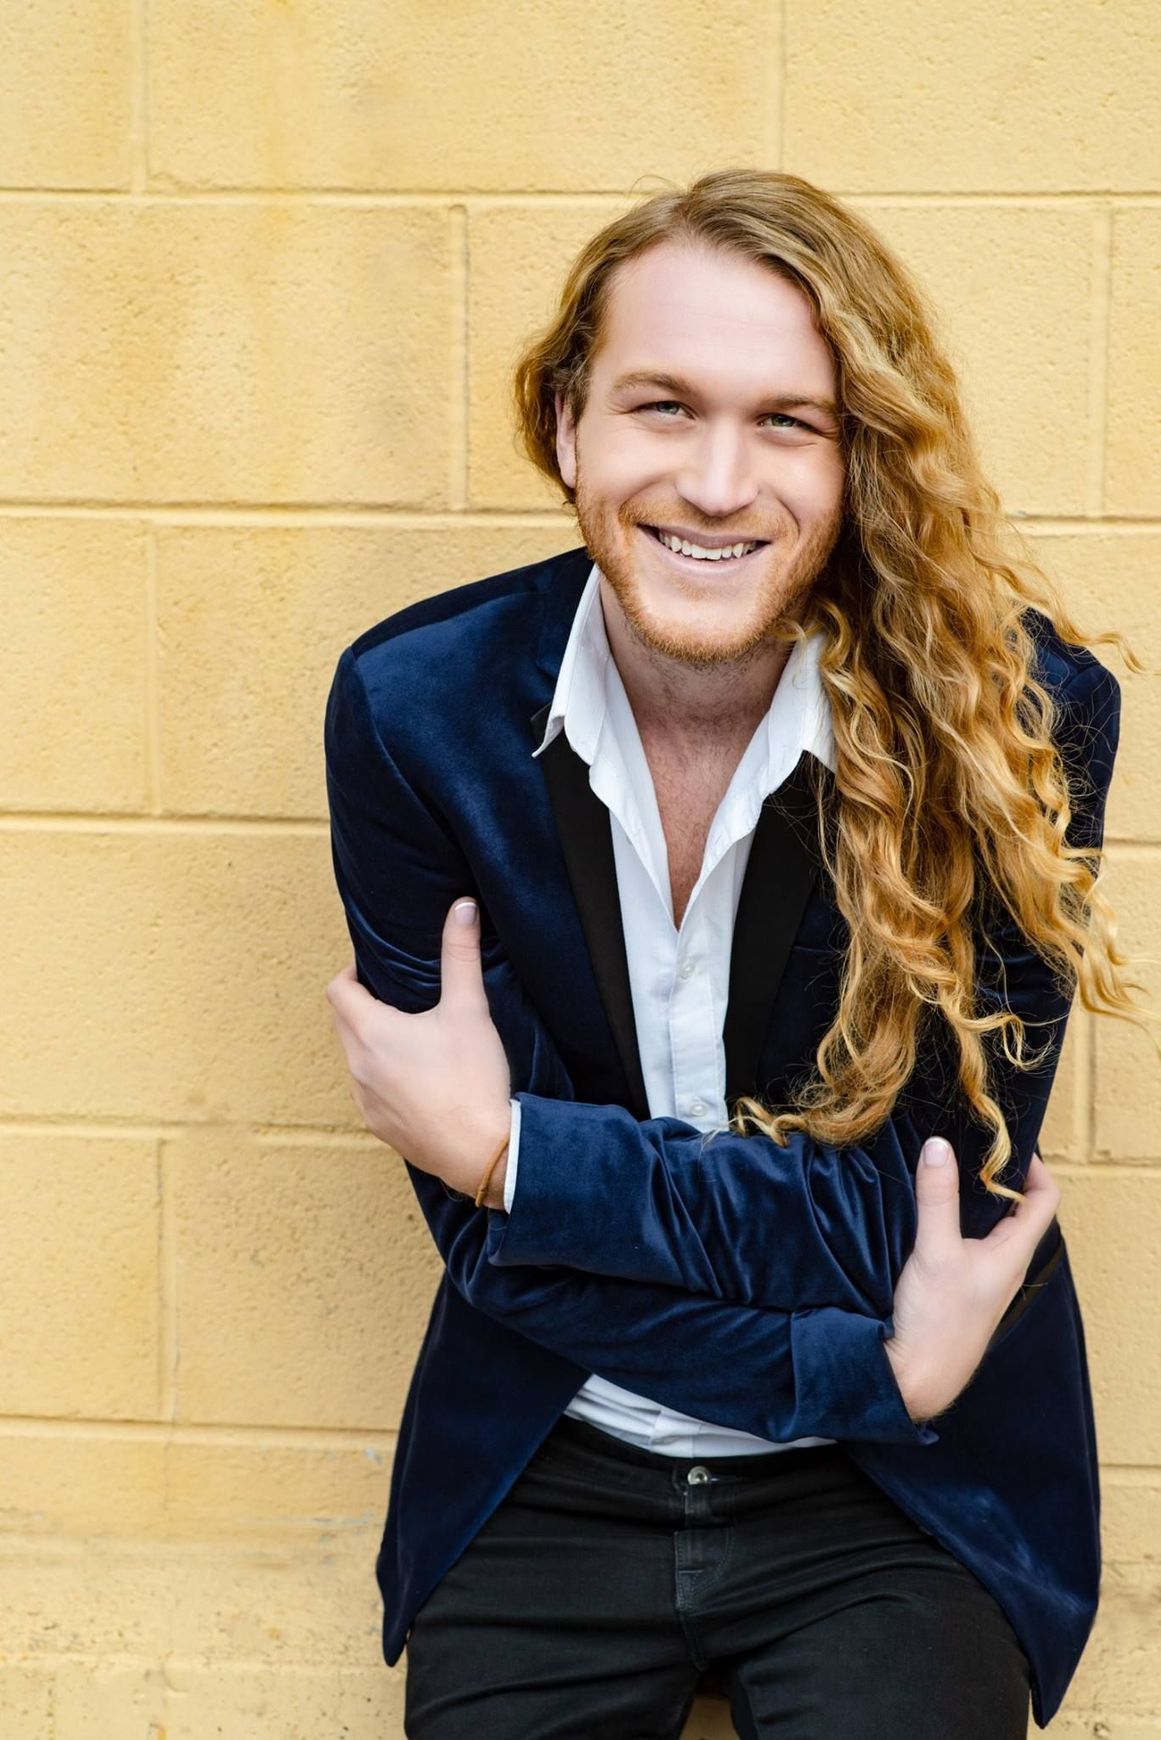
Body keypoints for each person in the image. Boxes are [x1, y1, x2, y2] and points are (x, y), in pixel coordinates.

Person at [322, 170, 1138, 1736]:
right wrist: (865, 1368)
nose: (712, 480)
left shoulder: (1015, 722)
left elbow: (906, 1218)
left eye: (786, 421)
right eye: (659, 406)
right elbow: (494, 1246)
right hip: (556, 1449)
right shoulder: (414, 710)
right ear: (565, 424)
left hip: (906, 1488)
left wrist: (514, 1149)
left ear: (857, 459)